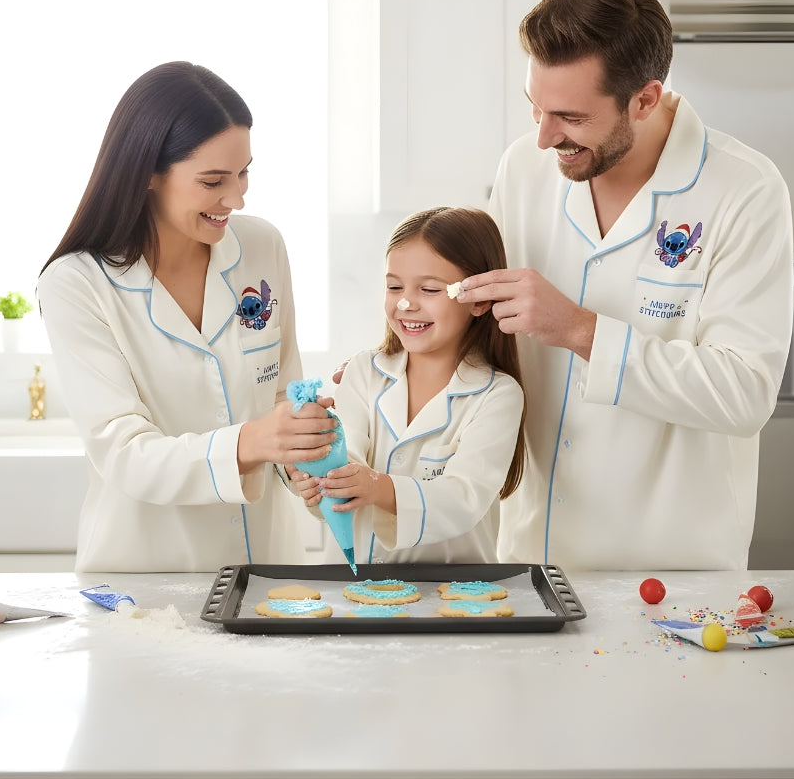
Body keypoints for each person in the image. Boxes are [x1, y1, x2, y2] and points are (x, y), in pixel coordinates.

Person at [456, 0, 794, 571]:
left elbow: (744, 395)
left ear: (645, 98)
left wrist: (581, 330)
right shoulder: (525, 167)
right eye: (534, 106)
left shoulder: (744, 189)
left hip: (675, 570)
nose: (543, 136)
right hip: (534, 558)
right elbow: (487, 333)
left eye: (568, 116)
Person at [37, 61, 337, 572]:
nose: (237, 197)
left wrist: (302, 458)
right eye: (213, 180)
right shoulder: (77, 283)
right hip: (144, 577)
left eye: (244, 173)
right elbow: (124, 453)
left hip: (266, 573)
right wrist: (253, 441)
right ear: (148, 173)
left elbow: (283, 391)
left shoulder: (262, 246)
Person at [292, 207, 527, 564]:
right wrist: (319, 476)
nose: (405, 303)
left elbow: (464, 499)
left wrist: (378, 487)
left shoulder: (497, 395)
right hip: (351, 600)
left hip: (455, 601)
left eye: (429, 289)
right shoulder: (362, 372)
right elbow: (349, 452)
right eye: (394, 286)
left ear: (478, 300)